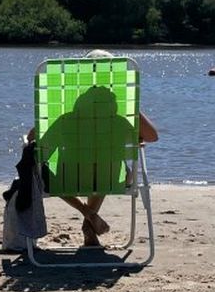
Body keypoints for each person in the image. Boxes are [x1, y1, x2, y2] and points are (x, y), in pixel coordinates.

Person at [29, 49, 158, 247]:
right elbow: (152, 136)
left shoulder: (66, 120)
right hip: (111, 179)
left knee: (47, 172)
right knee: (105, 167)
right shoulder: (120, 122)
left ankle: (87, 214)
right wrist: (131, 107)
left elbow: (35, 142)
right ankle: (89, 222)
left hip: (65, 180)